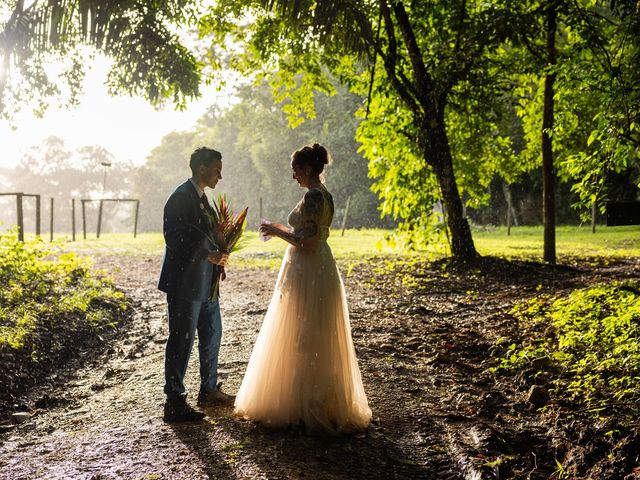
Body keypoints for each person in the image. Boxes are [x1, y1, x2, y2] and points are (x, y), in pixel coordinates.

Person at [234, 143, 371, 434]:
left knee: (304, 334)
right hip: (319, 266)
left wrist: (275, 231)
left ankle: (305, 406)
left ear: (307, 169)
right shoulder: (326, 195)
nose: (293, 176)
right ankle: (310, 400)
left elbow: (305, 243)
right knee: (313, 334)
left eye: (295, 170)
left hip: (308, 269)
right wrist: (280, 229)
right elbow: (310, 235)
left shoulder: (313, 196)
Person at [158, 147, 235, 423]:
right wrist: (207, 255)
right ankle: (175, 401)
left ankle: (209, 389)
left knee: (213, 333)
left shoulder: (203, 199)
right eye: (217, 169)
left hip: (206, 281)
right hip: (184, 283)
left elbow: (208, 236)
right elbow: (174, 239)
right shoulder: (179, 197)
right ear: (202, 169)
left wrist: (219, 258)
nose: (220, 176)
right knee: (182, 339)